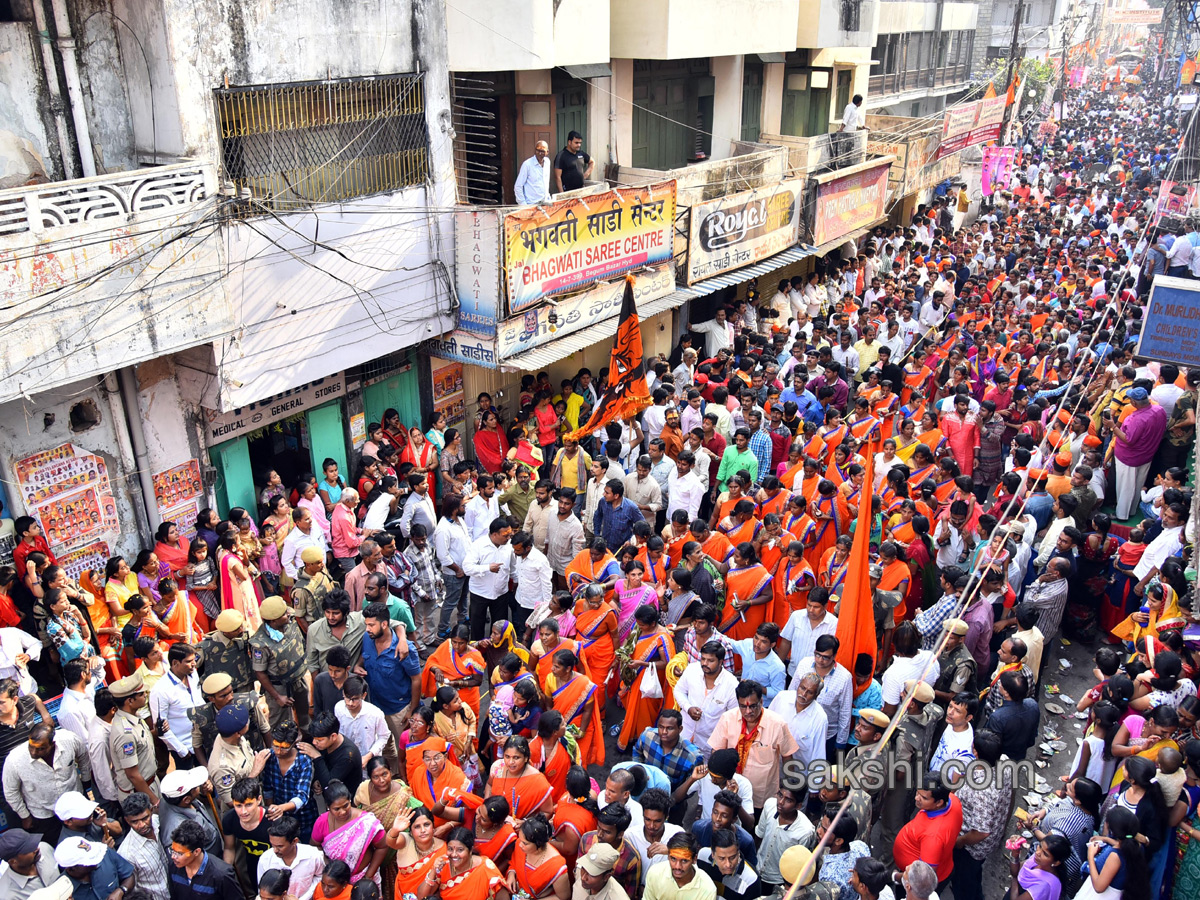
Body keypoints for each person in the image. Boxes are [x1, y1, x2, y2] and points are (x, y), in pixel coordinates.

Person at [707, 681, 798, 814]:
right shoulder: (727, 719)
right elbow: (716, 751)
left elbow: (787, 757)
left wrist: (789, 788)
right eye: (743, 706)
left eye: (753, 706)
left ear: (761, 701)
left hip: (761, 797)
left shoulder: (777, 724)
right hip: (729, 790)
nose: (748, 711)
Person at [2, 720, 88, 843]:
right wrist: (25, 816)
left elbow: (84, 758)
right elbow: (11, 792)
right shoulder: (15, 760)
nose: (33, 752)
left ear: (52, 744)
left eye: (40, 749)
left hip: (75, 806)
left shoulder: (69, 740)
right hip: (44, 815)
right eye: (31, 747)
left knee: (84, 839)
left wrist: (86, 781)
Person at [312, 780, 387, 887]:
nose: (342, 812)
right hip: (335, 883)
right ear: (328, 807)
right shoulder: (322, 822)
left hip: (363, 880)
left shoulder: (366, 822)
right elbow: (314, 846)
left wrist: (369, 875)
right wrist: (329, 866)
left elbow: (383, 846)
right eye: (336, 809)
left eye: (346, 806)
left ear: (350, 800)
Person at [416, 827, 509, 900]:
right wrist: (433, 871)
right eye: (450, 849)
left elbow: (503, 896)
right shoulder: (444, 864)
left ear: (470, 850)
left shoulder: (485, 868)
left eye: (460, 850)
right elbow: (421, 897)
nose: (454, 854)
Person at [167, 818, 243, 900]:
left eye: (179, 853)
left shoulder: (221, 875)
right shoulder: (173, 865)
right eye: (172, 850)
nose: (173, 856)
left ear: (196, 852)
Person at [257, 815, 326, 900]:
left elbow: (320, 877)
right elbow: (262, 889)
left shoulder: (313, 855)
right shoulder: (265, 859)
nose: (275, 850)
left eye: (280, 846)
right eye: (272, 845)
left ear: (294, 841)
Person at [118, 793, 171, 900]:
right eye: (135, 822)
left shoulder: (159, 822)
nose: (141, 825)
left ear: (151, 810)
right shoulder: (127, 853)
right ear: (127, 821)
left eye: (145, 818)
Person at [55, 836, 135, 900]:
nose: (96, 860)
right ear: (71, 869)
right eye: (89, 861)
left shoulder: (105, 855)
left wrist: (121, 890)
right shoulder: (60, 891)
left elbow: (129, 875)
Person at [643, 833, 716, 900]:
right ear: (668, 856)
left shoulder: (707, 889)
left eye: (684, 861)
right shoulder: (655, 873)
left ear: (694, 859)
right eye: (673, 859)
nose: (677, 866)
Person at [0, 828, 61, 900]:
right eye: (29, 849)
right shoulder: (8, 896)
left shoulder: (44, 848)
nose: (36, 848)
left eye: (33, 843)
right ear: (13, 861)